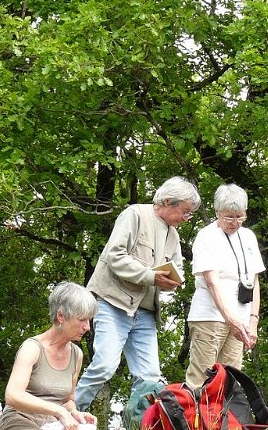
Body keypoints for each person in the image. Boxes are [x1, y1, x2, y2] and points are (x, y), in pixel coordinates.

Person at [75, 176, 201, 410]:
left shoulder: (173, 236)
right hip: (113, 303)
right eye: (184, 212)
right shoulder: (135, 214)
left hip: (144, 312)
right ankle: (68, 414)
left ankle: (141, 429)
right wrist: (151, 276)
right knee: (104, 365)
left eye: (189, 213)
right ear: (166, 202)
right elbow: (115, 255)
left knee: (150, 377)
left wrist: (171, 282)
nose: (186, 218)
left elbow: (177, 269)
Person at [0, 282, 98, 430]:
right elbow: (13, 395)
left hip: (54, 426)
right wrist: (60, 412)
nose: (87, 327)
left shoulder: (76, 354)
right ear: (61, 316)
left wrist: (75, 414)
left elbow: (67, 400)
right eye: (81, 320)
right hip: (20, 420)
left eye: (88, 320)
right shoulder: (32, 348)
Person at [185, 184, 265, 389]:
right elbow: (212, 282)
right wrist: (231, 320)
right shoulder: (206, 236)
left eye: (240, 217)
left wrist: (253, 321)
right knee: (203, 378)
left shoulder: (248, 237)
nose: (235, 223)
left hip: (241, 320)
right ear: (216, 212)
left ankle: (225, 422)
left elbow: (254, 281)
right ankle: (195, 420)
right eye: (229, 217)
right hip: (210, 317)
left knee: (231, 380)